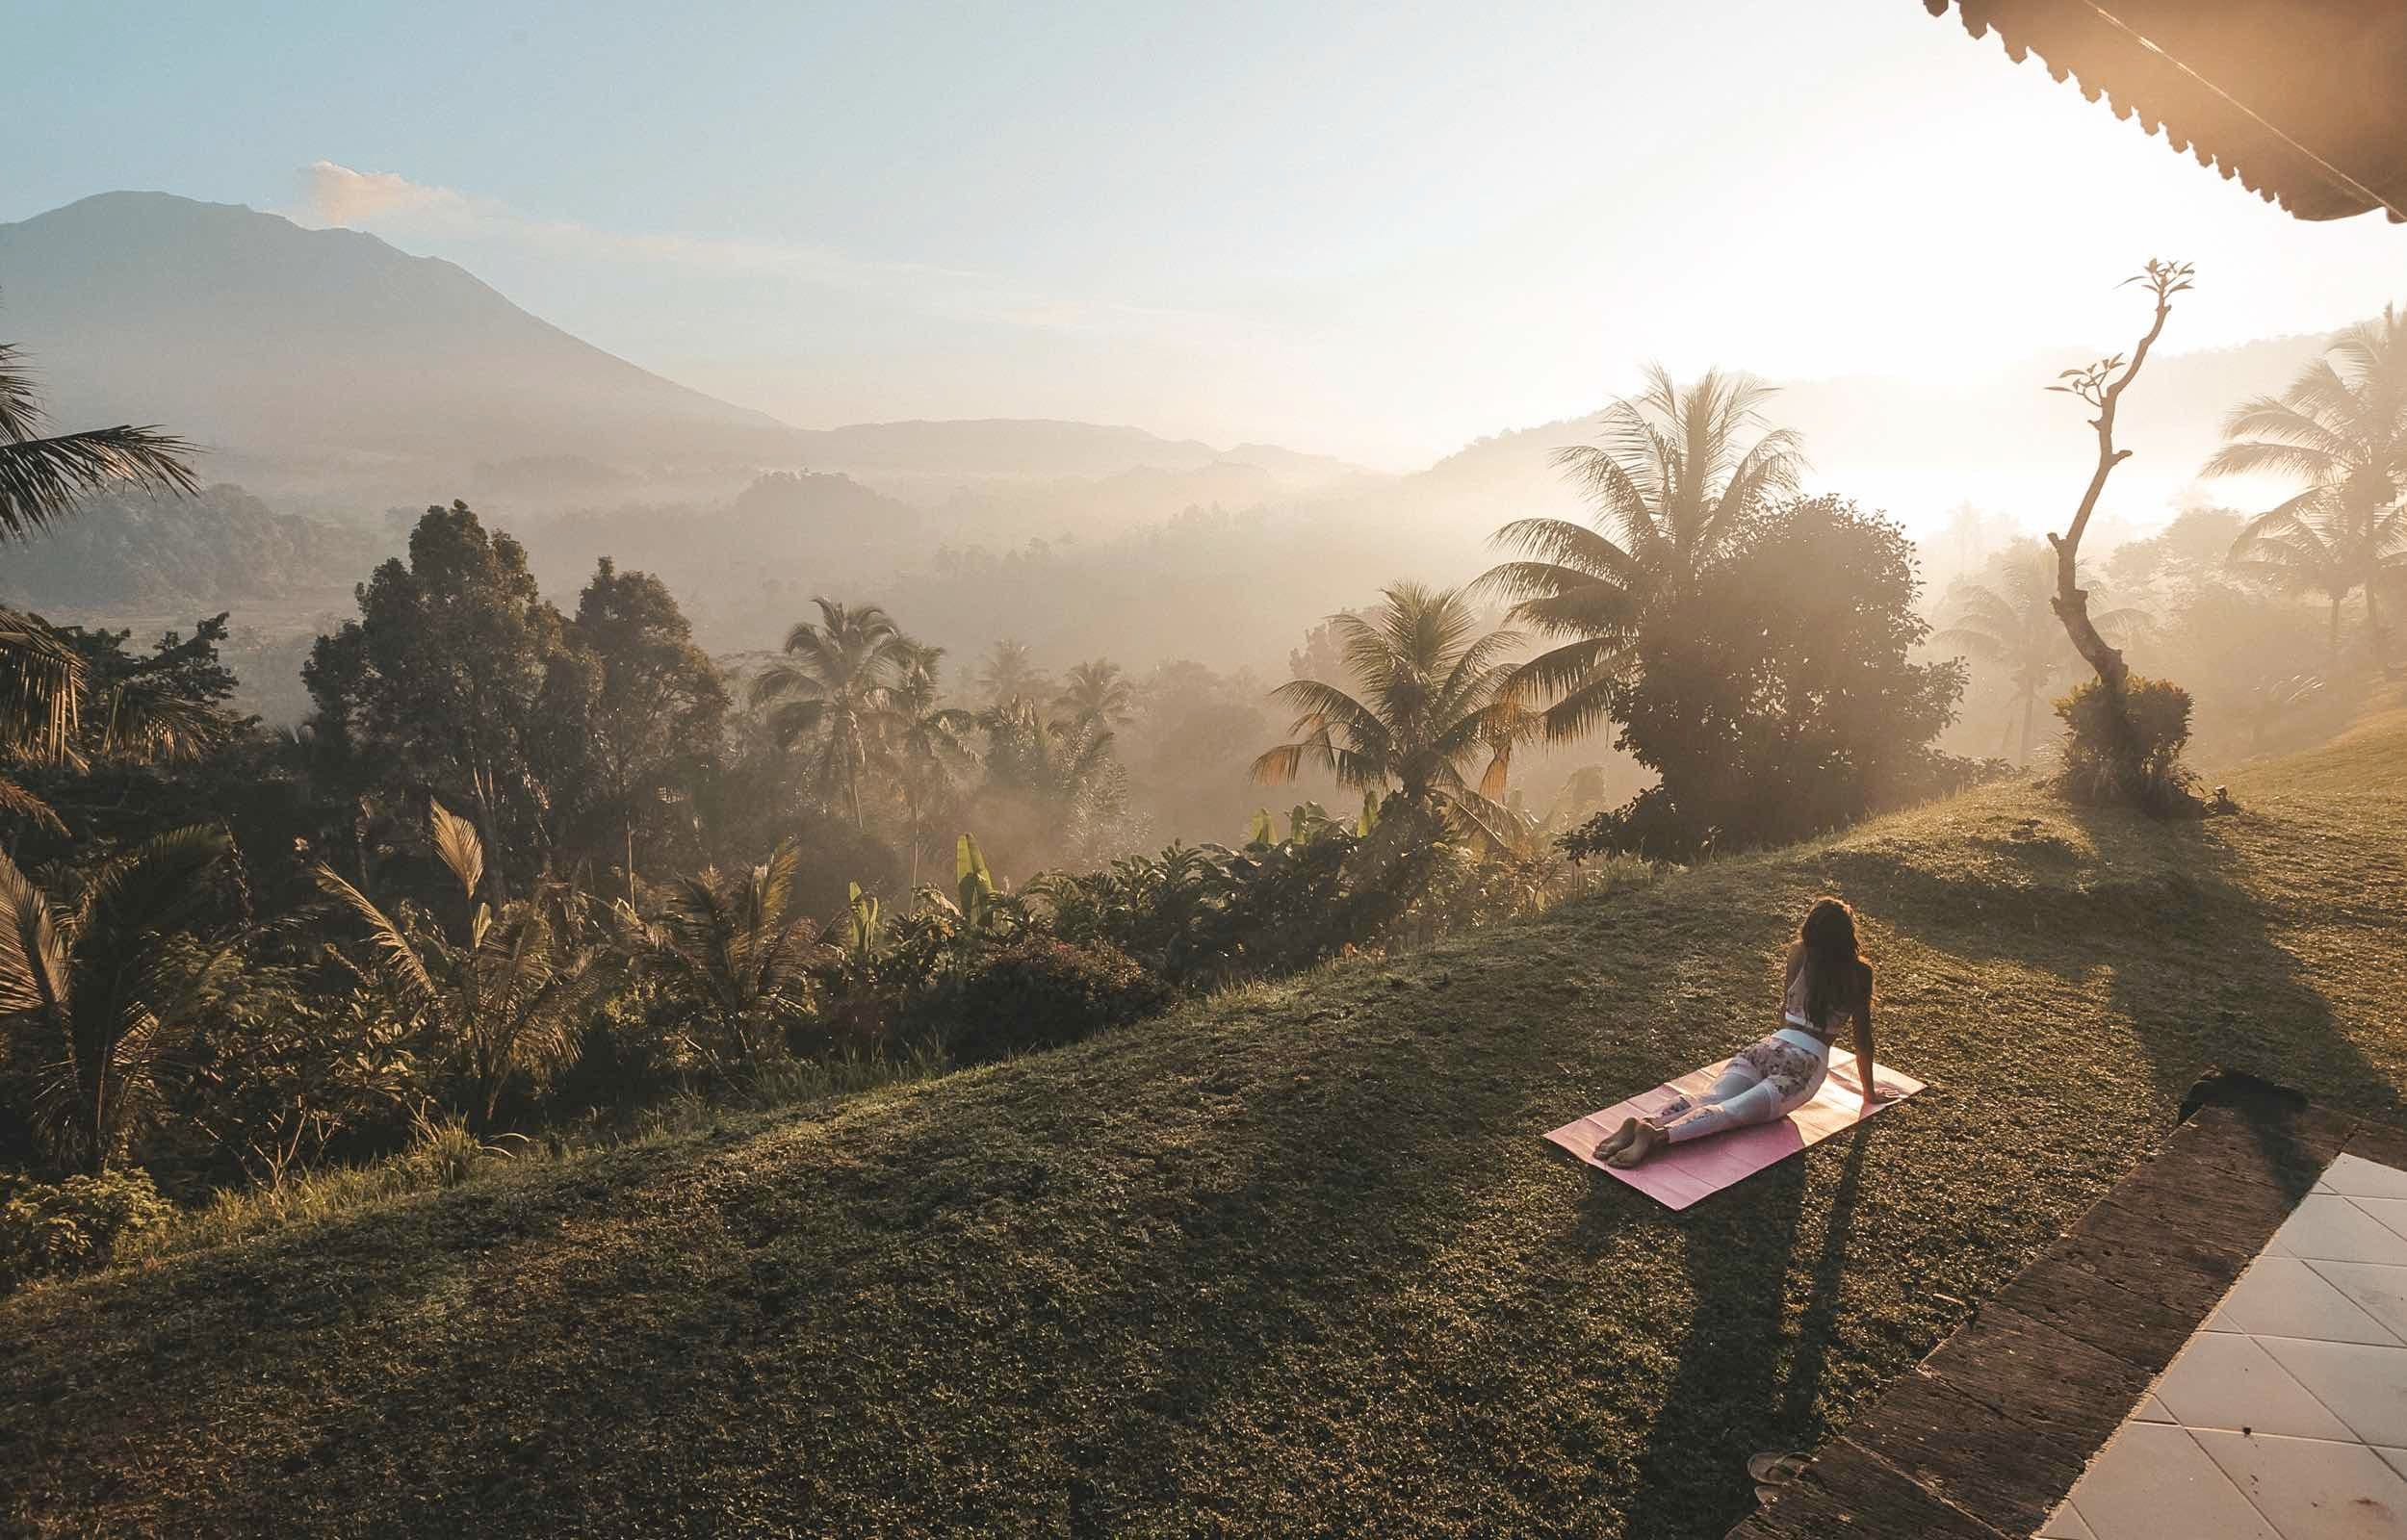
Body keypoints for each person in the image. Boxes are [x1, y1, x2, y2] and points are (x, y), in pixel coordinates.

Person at [1595, 896, 1901, 1168]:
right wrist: (1869, 1093)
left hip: (1769, 1046)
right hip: (1806, 1065)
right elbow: (1864, 1043)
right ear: (1848, 936)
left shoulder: (1798, 954)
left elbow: (1785, 1011)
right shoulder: (1860, 972)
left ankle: (1645, 1121)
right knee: (1731, 1112)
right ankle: (1658, 1135)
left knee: (1710, 1095)